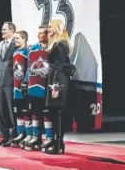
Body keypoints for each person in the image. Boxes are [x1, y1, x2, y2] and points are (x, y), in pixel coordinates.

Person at [43, 19, 76, 155]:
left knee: (58, 113)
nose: (48, 29)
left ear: (57, 28)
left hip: (58, 81)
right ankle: (57, 141)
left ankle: (58, 143)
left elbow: (59, 65)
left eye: (50, 27)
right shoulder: (56, 43)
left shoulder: (60, 44)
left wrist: (55, 85)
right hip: (56, 79)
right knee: (54, 112)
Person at [22, 25, 51, 151]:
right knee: (34, 111)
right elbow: (29, 68)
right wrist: (25, 81)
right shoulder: (33, 48)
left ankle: (49, 137)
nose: (39, 35)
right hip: (34, 85)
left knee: (46, 112)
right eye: (38, 33)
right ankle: (36, 137)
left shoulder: (52, 47)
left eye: (41, 33)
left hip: (47, 84)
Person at [0, 21, 17, 146]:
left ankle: (14, 136)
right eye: (2, 29)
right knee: (0, 110)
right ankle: (4, 136)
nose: (2, 32)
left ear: (11, 30)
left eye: (4, 29)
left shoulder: (15, 43)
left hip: (11, 81)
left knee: (12, 110)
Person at [10, 31, 30, 148]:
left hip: (24, 86)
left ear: (24, 39)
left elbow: (28, 68)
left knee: (25, 111)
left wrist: (25, 82)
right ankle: (20, 133)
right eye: (15, 39)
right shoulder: (15, 52)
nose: (15, 41)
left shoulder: (27, 51)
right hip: (15, 87)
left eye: (17, 39)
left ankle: (27, 134)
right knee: (17, 112)